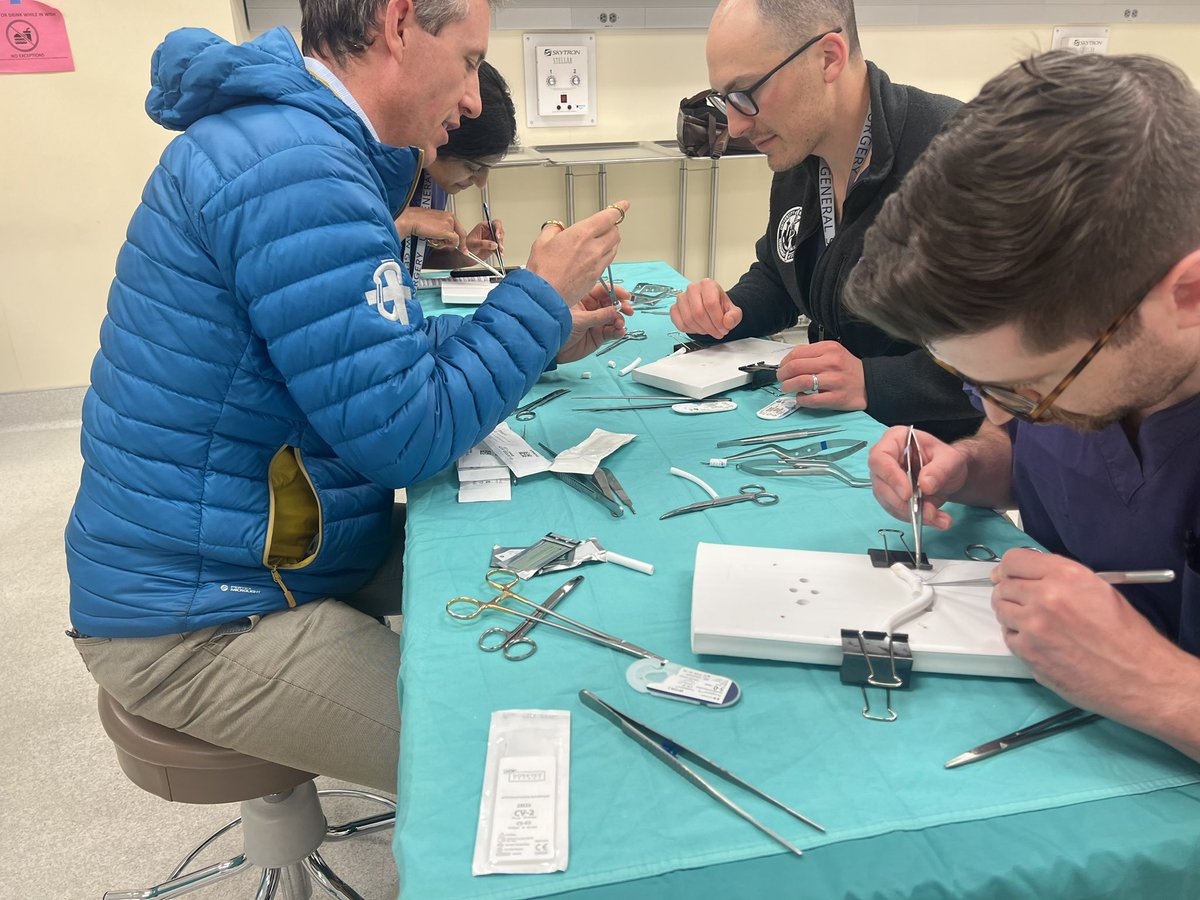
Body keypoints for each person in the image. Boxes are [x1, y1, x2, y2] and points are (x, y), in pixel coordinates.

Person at [64, 0, 632, 794]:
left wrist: (540, 339)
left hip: (264, 547)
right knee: (510, 768)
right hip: (197, 618)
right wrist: (534, 298)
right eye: (469, 61)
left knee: (535, 558)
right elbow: (404, 437)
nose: (473, 100)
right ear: (399, 24)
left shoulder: (304, 146)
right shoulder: (297, 169)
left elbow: (377, 366)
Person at [845, 51, 1200, 763]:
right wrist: (972, 464)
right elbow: (1033, 448)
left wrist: (1161, 685)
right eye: (983, 384)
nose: (1017, 411)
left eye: (1035, 386)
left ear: (1187, 296)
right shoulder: (1082, 353)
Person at [669, 0, 981, 442]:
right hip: (838, 429)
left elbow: (1022, 350)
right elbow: (783, 273)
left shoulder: (959, 158)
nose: (736, 126)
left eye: (746, 95)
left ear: (828, 58)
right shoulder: (801, 151)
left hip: (941, 454)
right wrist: (729, 313)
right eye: (723, 100)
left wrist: (874, 381)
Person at [395, 60, 515, 277]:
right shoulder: (382, 168)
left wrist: (462, 253)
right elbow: (344, 258)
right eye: (472, 166)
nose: (481, 182)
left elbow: (408, 257)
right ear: (442, 134)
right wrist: (405, 222)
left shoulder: (435, 176)